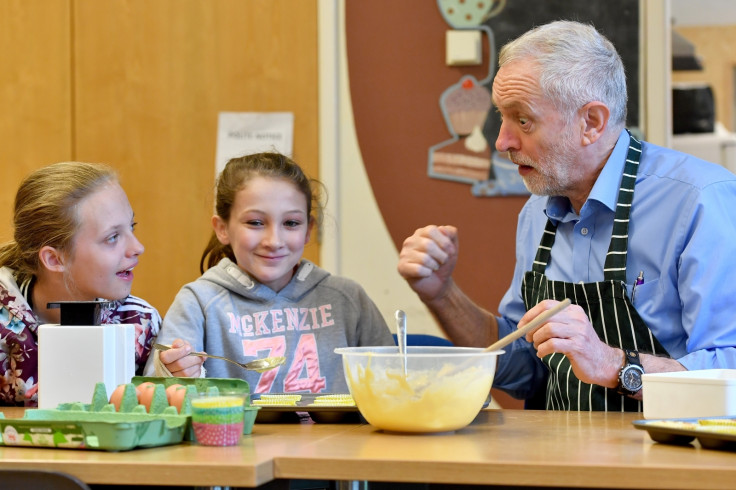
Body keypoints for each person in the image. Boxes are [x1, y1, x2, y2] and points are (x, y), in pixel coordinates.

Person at [397, 20, 736, 411]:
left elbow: (728, 370)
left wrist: (613, 364)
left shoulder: (699, 202)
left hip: (668, 458)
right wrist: (442, 295)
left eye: (522, 120)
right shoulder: (536, 213)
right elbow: (525, 367)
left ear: (591, 122)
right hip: (561, 458)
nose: (502, 141)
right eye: (501, 117)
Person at [144, 152, 394, 393]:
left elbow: (393, 386)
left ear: (308, 230)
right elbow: (153, 395)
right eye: (255, 222)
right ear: (222, 229)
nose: (274, 240)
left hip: (341, 438)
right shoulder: (197, 302)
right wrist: (173, 374)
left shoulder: (347, 299)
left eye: (291, 223)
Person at [0, 162, 161, 406]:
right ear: (55, 259)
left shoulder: (141, 323)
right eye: (113, 237)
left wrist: (173, 378)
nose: (138, 247)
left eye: (131, 227)